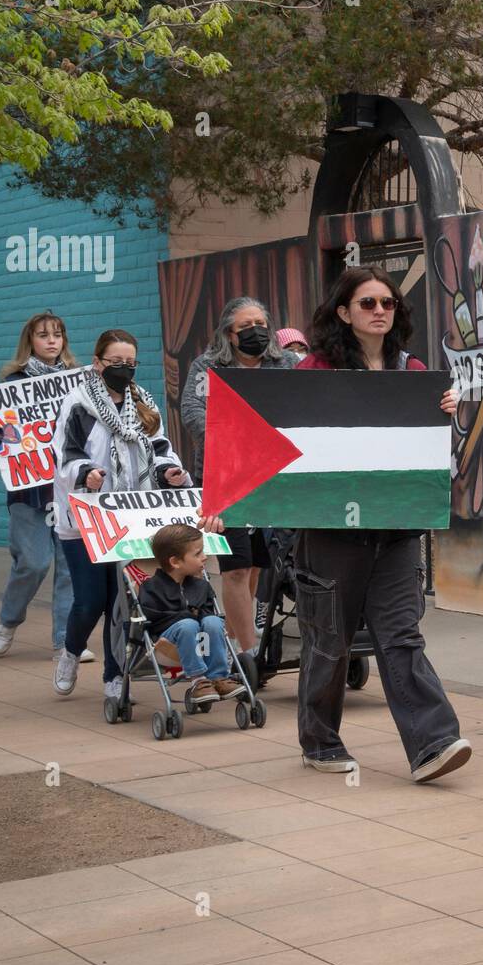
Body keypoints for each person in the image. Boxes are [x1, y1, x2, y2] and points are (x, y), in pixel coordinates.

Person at [294, 265, 471, 783]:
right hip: (331, 530)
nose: (379, 311)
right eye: (367, 303)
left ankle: (433, 743)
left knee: (401, 634)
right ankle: (320, 739)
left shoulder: (416, 373)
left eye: (387, 303)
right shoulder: (313, 372)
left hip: (396, 527)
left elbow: (435, 456)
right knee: (330, 638)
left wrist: (446, 418)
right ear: (344, 313)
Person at [52, 329, 191, 699]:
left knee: (123, 603)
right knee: (91, 601)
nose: (124, 369)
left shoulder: (143, 402)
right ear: (98, 363)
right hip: (85, 518)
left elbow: (160, 448)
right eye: (116, 363)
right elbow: (64, 453)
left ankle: (114, 676)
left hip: (130, 517)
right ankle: (70, 651)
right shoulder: (79, 404)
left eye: (130, 363)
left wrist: (167, 471)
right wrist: (86, 472)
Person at [181, 298, 299, 656]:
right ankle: (248, 653)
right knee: (235, 567)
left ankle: (233, 640)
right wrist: (234, 442)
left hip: (275, 477)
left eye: (261, 323)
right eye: (246, 326)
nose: (256, 331)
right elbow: (191, 411)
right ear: (229, 335)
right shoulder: (208, 367)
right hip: (225, 477)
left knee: (257, 568)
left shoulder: (288, 363)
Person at [0, 313, 93, 667]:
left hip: (69, 489)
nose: (52, 341)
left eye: (58, 335)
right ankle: (9, 620)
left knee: (70, 567)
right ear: (31, 340)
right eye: (44, 335)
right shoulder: (11, 384)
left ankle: (64, 640)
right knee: (33, 563)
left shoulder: (80, 384)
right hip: (28, 494)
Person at [137, 524, 246, 705]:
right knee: (189, 625)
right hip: (167, 644)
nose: (204, 557)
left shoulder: (200, 586)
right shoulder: (151, 588)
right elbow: (155, 620)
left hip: (200, 641)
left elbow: (208, 612)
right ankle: (198, 680)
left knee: (213, 621)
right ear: (175, 562)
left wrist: (199, 617)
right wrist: (189, 616)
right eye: (197, 554)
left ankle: (218, 677)